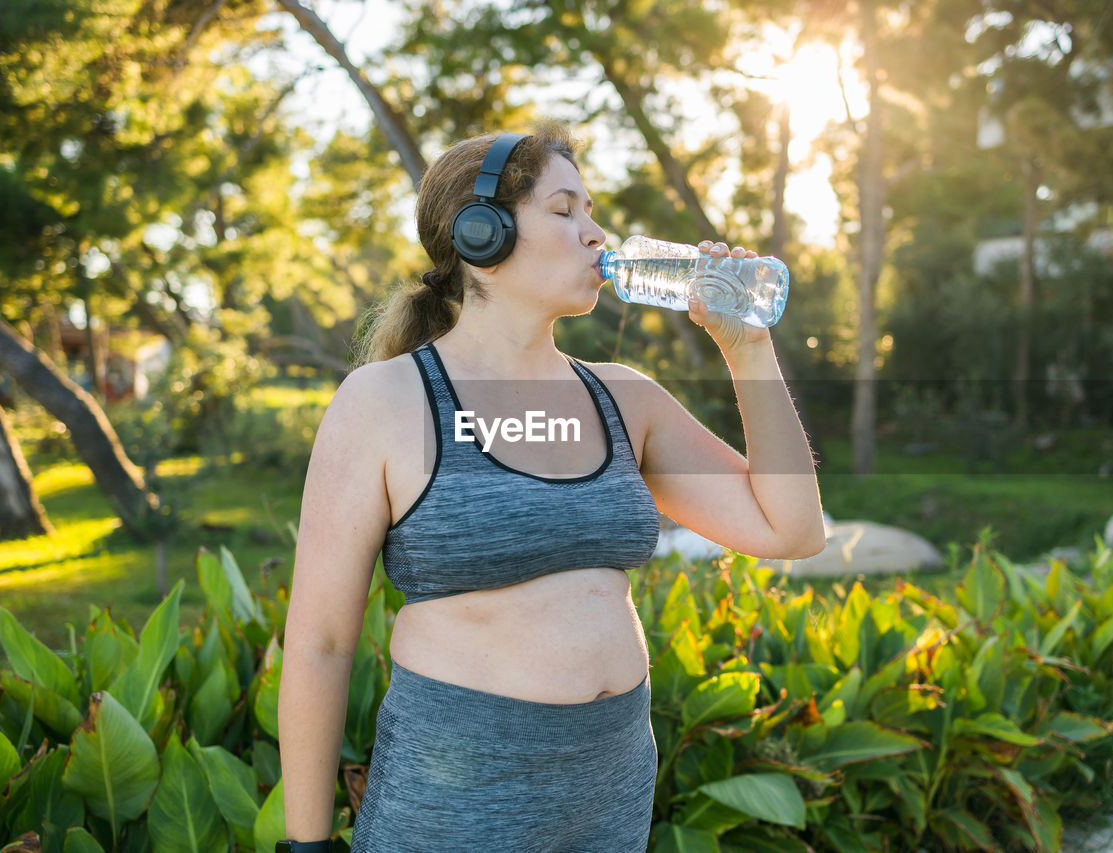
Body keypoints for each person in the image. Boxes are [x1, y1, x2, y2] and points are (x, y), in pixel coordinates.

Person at [276, 122, 826, 853]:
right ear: (483, 236)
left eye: (592, 212)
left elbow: (792, 529)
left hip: (610, 792)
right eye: (566, 211)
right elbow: (320, 642)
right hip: (458, 801)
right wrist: (305, 846)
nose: (597, 234)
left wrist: (748, 348)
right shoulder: (383, 403)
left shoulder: (626, 401)